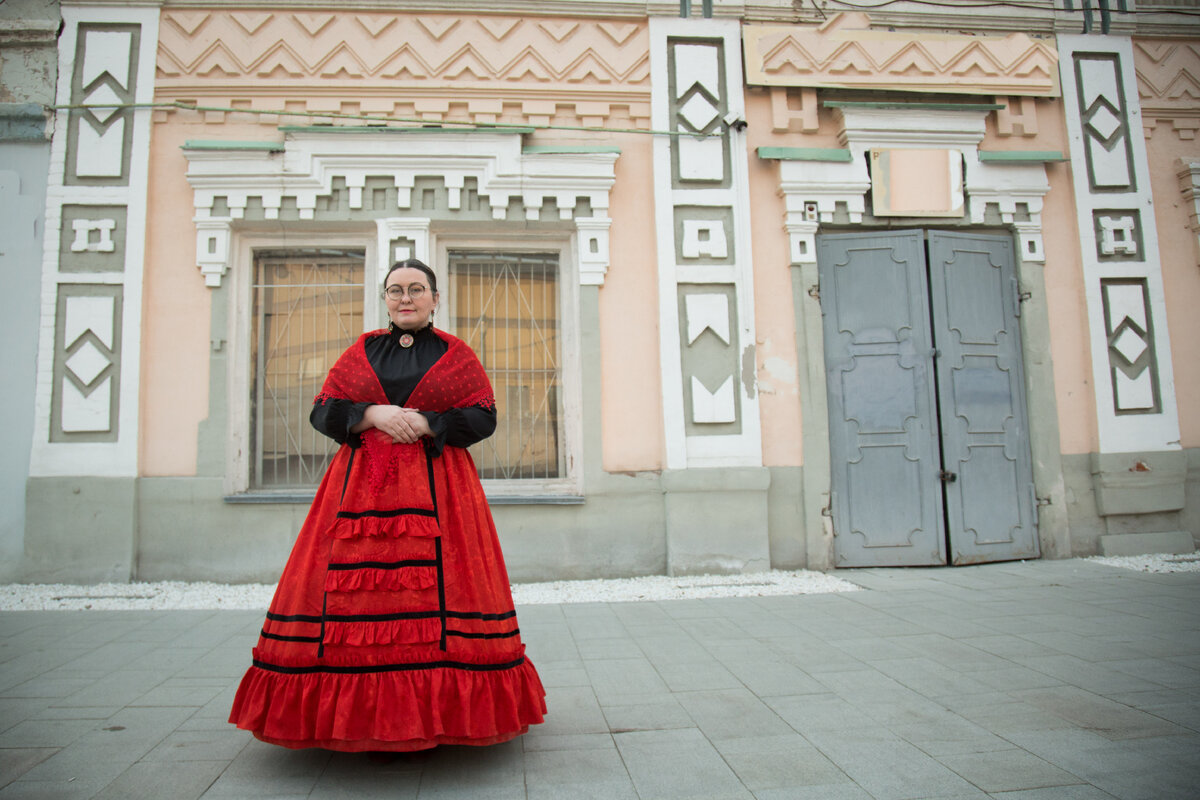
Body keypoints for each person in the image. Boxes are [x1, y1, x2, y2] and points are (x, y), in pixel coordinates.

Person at [229, 259, 547, 751]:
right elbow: (322, 409)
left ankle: (440, 715)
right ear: (385, 298)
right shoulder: (361, 351)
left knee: (442, 591)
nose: (406, 297)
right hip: (358, 496)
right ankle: (352, 720)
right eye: (395, 289)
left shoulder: (456, 355)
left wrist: (428, 423)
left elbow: (483, 419)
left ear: (435, 299)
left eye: (416, 289)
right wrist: (370, 413)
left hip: (440, 493)